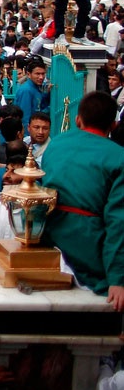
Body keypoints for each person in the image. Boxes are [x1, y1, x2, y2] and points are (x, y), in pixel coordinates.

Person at [41, 90, 124, 310]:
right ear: (113, 126)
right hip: (90, 253)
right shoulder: (118, 156)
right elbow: (118, 222)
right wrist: (117, 279)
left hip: (47, 241)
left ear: (78, 119)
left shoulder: (56, 144)